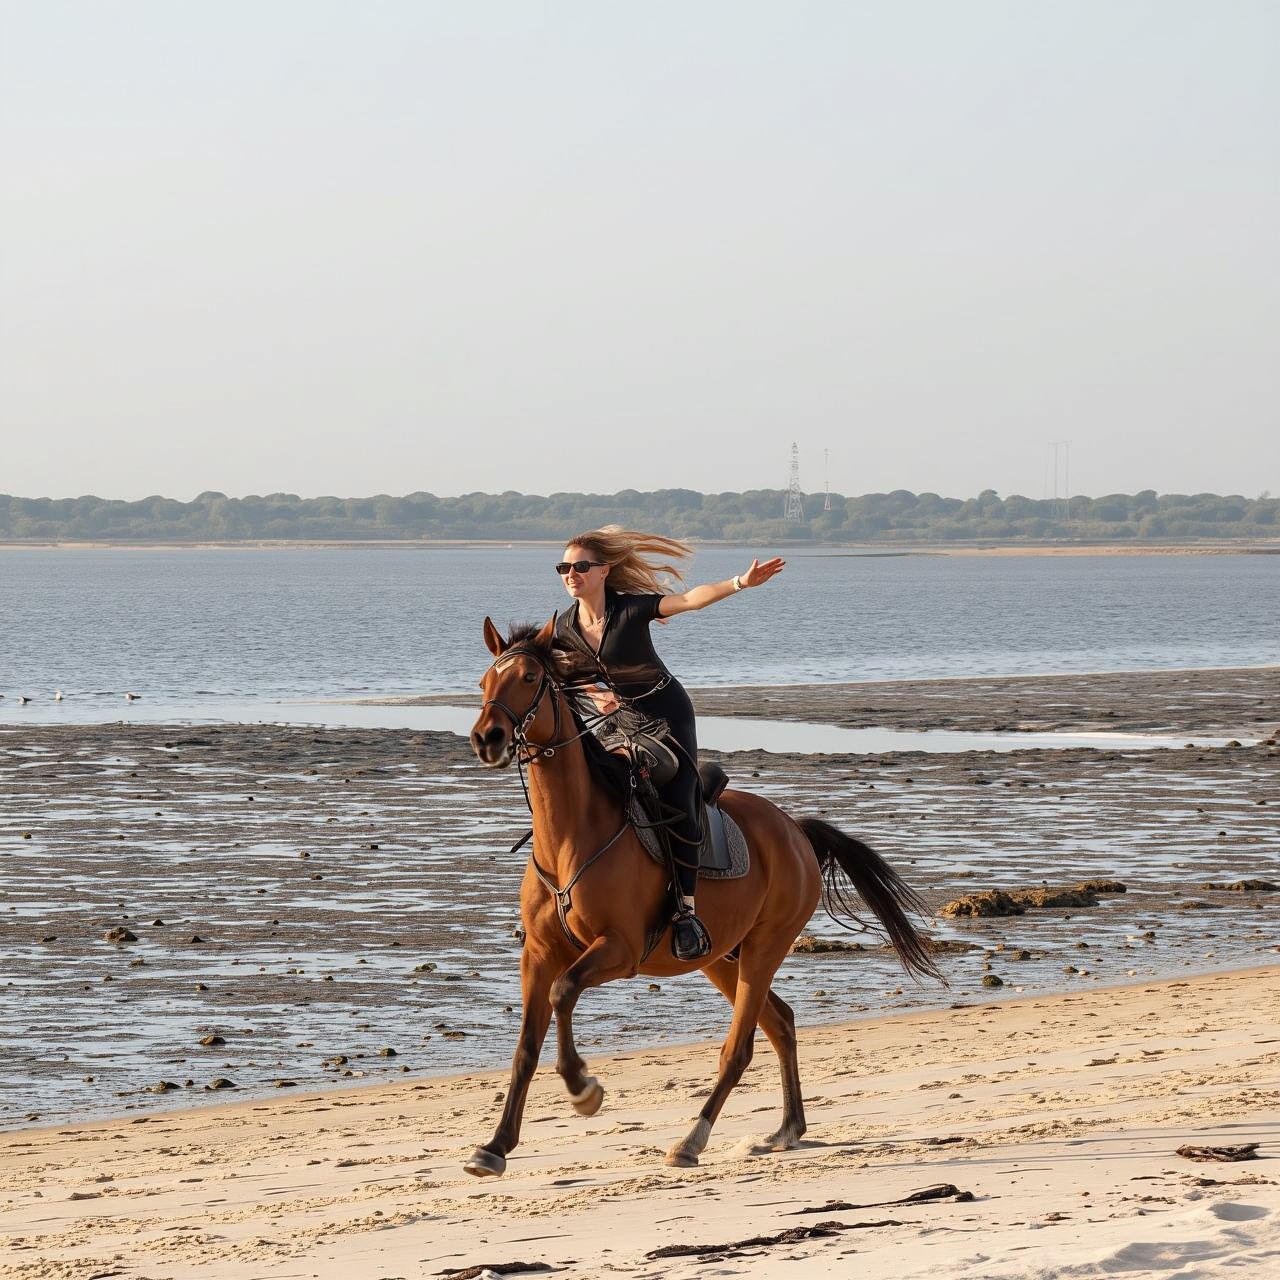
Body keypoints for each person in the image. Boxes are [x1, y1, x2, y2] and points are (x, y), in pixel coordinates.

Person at [549, 526, 785, 961]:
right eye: (565, 567)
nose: (571, 573)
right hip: (619, 721)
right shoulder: (563, 625)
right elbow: (564, 674)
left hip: (666, 715)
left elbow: (691, 599)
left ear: (605, 571)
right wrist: (595, 695)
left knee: (678, 793)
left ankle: (687, 912)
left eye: (581, 566)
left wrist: (740, 583)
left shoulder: (632, 609)